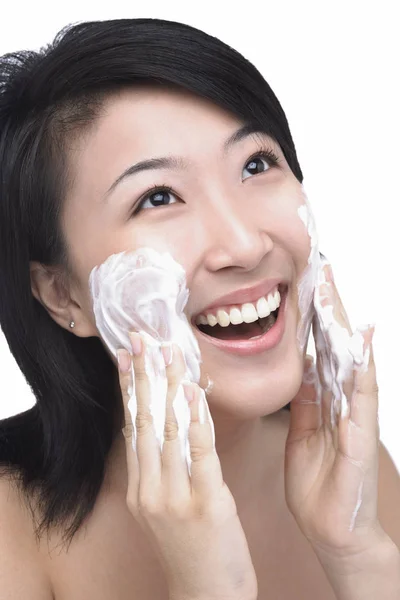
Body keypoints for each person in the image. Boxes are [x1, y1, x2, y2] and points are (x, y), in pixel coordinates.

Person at [0, 18, 399, 600]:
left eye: (256, 165)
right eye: (158, 197)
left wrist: (360, 557)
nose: (246, 244)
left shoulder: (350, 465)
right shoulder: (12, 530)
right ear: (63, 295)